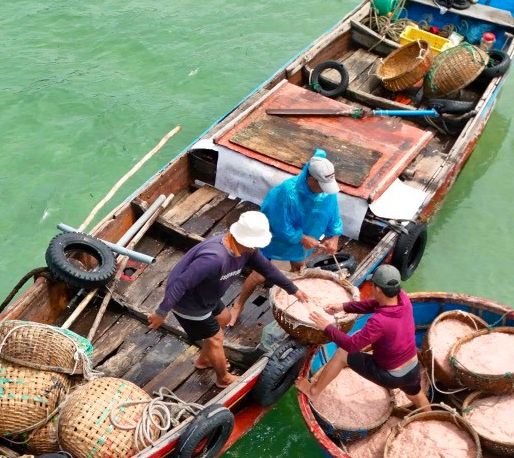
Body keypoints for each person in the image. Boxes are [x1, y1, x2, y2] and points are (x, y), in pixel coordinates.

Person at [148, 211, 309, 388]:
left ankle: (204, 360)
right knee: (216, 338)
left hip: (208, 295)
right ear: (243, 239)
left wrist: (293, 290)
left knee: (224, 319)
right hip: (190, 304)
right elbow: (180, 284)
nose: (256, 247)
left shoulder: (247, 250)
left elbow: (267, 269)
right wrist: (161, 313)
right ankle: (223, 378)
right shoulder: (214, 258)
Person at [226, 150, 343, 328]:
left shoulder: (327, 191)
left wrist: (334, 237)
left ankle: (299, 304)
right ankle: (238, 304)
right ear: (311, 179)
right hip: (276, 238)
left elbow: (334, 216)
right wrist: (301, 237)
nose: (325, 191)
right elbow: (279, 224)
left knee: (299, 270)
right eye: (321, 186)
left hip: (306, 238)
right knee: (259, 275)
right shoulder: (286, 193)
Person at [296, 264, 429, 410]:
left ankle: (313, 391)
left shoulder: (378, 321)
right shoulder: (402, 298)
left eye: (373, 286)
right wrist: (344, 306)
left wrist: (327, 326)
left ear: (377, 289)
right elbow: (374, 304)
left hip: (391, 376)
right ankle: (429, 416)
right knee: (416, 395)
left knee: (342, 353)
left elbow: (351, 345)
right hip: (413, 368)